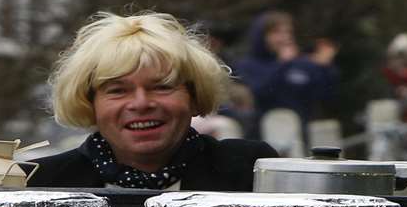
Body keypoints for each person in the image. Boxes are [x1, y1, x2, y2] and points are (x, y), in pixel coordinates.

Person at [31, 11, 276, 190]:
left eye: (161, 87)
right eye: (118, 90)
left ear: (193, 96)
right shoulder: (42, 181)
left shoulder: (251, 170)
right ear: (89, 102)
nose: (141, 103)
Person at [232, 10, 337, 129]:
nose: (285, 37)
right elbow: (261, 93)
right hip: (265, 131)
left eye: (288, 32)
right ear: (262, 36)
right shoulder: (248, 64)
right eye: (277, 32)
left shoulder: (301, 63)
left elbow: (325, 95)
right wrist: (282, 64)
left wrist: (326, 68)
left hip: (302, 131)